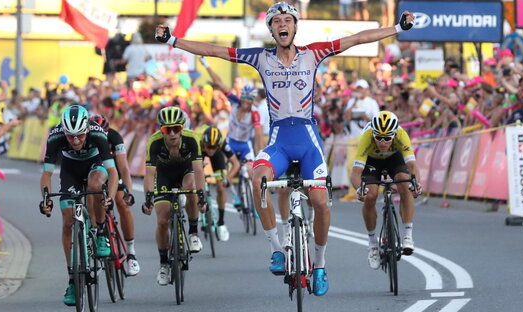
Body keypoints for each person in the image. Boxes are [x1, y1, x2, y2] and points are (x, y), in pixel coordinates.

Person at [155, 2, 415, 296]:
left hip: (307, 139)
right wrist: (172, 40)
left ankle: (319, 265)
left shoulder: (313, 53)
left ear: (294, 26)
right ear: (271, 29)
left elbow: (356, 38)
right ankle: (276, 249)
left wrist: (397, 28)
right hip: (279, 140)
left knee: (319, 202)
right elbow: (213, 50)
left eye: (287, 20)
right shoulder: (260, 57)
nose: (282, 24)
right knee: (258, 181)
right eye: (276, 21)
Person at [39, 105, 119, 306]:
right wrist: (46, 199)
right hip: (71, 170)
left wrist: (109, 196)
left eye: (80, 136)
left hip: (96, 164)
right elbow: (47, 174)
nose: (75, 141)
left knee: (94, 185)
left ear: (87, 130)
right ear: (64, 132)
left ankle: (101, 232)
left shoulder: (98, 134)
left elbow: (114, 172)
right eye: (70, 136)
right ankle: (73, 281)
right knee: (67, 221)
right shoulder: (55, 136)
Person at [141, 106, 207, 286]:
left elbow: (199, 170)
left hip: (185, 171)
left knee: (192, 187)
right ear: (161, 130)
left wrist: (202, 197)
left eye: (176, 129)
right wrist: (148, 198)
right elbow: (149, 174)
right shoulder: (154, 142)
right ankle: (163, 264)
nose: (171, 134)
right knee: (162, 220)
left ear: (182, 128)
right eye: (166, 129)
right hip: (164, 175)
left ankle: (193, 232)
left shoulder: (192, 139)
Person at [350, 111, 422, 270]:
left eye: (387, 138)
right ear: (373, 134)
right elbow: (356, 173)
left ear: (394, 134)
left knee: (405, 184)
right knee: (370, 195)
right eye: (379, 137)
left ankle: (408, 236)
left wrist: (415, 184)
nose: (382, 142)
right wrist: (358, 190)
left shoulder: (401, 135)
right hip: (371, 161)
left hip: (393, 158)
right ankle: (372, 244)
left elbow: (412, 166)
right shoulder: (366, 137)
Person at [89, 115, 140, 276]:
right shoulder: (87, 137)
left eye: (103, 133)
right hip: (94, 172)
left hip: (112, 172)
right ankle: (97, 235)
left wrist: (129, 192)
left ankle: (131, 252)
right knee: (91, 197)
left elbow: (124, 168)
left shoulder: (115, 137)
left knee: (122, 203)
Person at [199, 56, 263, 162]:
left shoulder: (254, 112)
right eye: (244, 97)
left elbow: (258, 134)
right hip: (230, 141)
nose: (246, 100)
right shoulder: (234, 101)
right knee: (222, 163)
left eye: (249, 98)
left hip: (245, 145)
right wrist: (206, 65)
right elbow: (219, 83)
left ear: (253, 100)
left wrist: (260, 152)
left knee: (250, 171)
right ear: (241, 96)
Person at [200, 126, 240, 241]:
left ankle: (221, 222)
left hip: (218, 158)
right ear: (204, 143)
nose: (211, 150)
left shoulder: (222, 144)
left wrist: (228, 177)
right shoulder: (198, 144)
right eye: (209, 147)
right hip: (199, 155)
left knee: (221, 186)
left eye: (214, 147)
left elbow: (236, 164)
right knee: (197, 181)